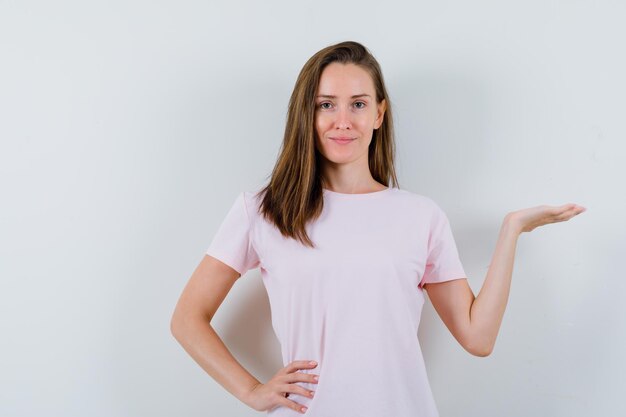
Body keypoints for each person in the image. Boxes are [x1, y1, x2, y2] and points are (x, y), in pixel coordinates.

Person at [170, 41, 586, 416]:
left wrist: (511, 230)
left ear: (379, 113)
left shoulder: (420, 217)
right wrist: (252, 391)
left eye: (358, 103)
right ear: (307, 114)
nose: (342, 120)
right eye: (326, 104)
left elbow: (479, 338)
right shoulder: (263, 211)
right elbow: (187, 319)